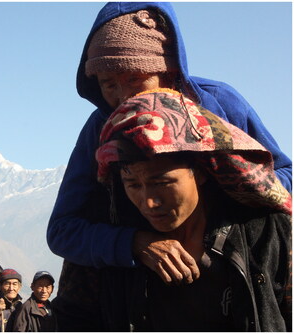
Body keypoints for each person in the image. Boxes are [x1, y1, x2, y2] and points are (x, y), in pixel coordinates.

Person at [46, 2, 293, 331]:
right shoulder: (100, 129)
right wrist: (137, 243)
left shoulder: (219, 103)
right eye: (108, 84)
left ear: (170, 71)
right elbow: (63, 230)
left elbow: (282, 181)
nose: (122, 98)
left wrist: (221, 191)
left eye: (136, 80)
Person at [94, 90, 291, 331]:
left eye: (162, 183)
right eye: (133, 185)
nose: (148, 202)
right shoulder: (105, 241)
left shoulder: (267, 233)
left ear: (200, 172)